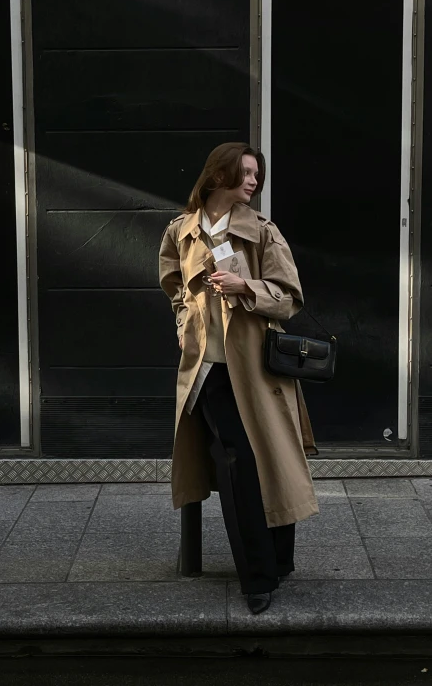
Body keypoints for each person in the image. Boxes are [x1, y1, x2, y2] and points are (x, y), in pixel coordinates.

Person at [158, 142, 319, 615]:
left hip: (258, 371)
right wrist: (186, 323)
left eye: (256, 174)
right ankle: (257, 578)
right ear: (218, 175)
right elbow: (172, 287)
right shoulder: (180, 232)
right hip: (208, 371)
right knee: (237, 466)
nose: (253, 181)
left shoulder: (263, 232)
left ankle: (279, 561)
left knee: (270, 458)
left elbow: (290, 297)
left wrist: (245, 287)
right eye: (245, 172)